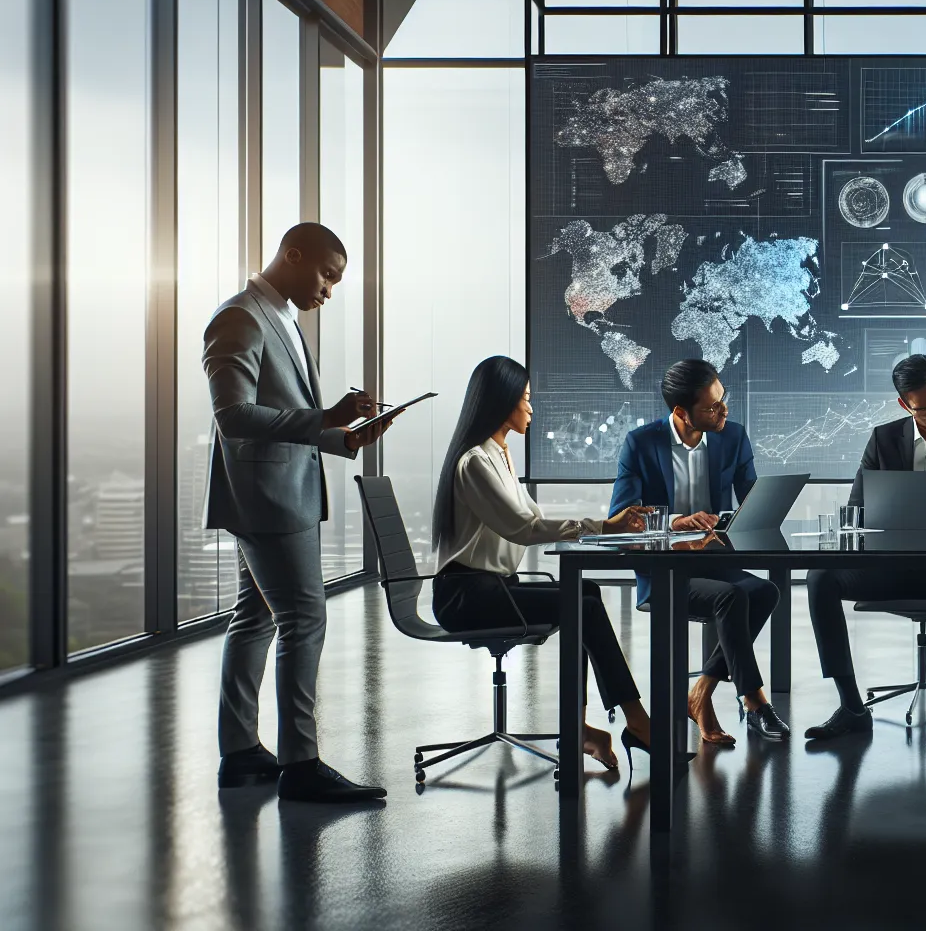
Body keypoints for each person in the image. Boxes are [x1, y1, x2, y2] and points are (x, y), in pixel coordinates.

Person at [209, 222, 395, 803]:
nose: (330, 291)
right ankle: (301, 764)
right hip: (267, 501)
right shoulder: (239, 316)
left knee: (257, 618)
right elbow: (233, 416)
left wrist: (345, 436)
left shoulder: (281, 317)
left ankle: (240, 752)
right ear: (293, 255)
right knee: (304, 619)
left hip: (280, 494)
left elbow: (287, 414)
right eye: (328, 275)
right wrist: (324, 417)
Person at [432, 356, 653, 771]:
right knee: (582, 603)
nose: (531, 410)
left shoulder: (499, 455)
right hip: (466, 596)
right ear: (502, 403)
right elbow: (522, 528)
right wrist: (601, 526)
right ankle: (634, 721)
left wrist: (606, 527)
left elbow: (532, 516)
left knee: (585, 592)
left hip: (494, 588)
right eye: (526, 400)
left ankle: (583, 728)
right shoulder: (476, 462)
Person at [803, 354, 926, 744]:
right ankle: (851, 706)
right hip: (889, 567)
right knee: (821, 577)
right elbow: (855, 510)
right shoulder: (883, 439)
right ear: (904, 404)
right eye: (924, 408)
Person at [608, 359, 790, 745]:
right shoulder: (641, 444)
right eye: (711, 406)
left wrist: (754, 512)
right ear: (681, 413)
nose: (723, 410)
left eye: (723, 400)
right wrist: (675, 522)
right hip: (664, 572)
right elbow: (621, 519)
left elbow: (751, 503)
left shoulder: (733, 437)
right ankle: (755, 701)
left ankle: (701, 691)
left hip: (717, 564)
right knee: (732, 597)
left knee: (765, 591)